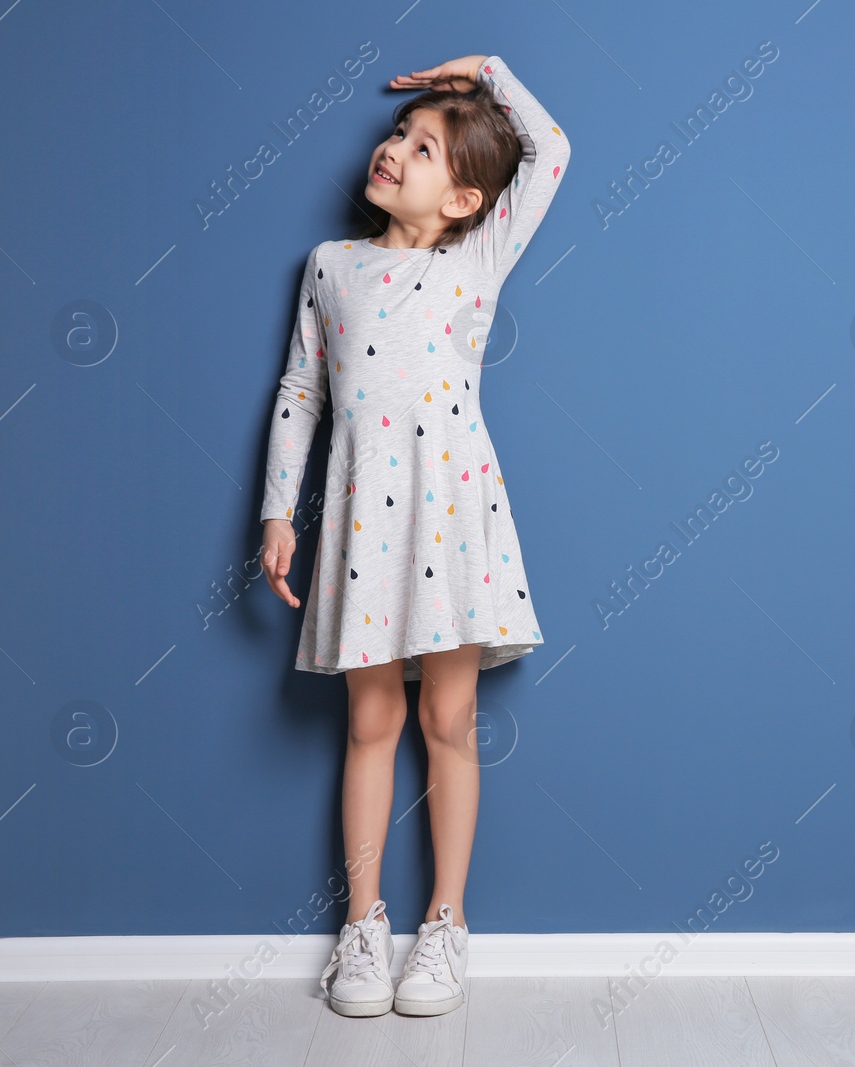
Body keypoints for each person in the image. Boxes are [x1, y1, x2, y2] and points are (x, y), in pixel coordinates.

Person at [257, 53, 570, 1019]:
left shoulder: (473, 263)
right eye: (399, 136)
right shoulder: (331, 266)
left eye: (422, 147)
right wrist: (277, 509)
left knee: (447, 725)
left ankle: (445, 923)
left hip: (453, 521)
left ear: (466, 199)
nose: (394, 148)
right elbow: (302, 389)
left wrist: (486, 72)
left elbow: (551, 151)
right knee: (371, 724)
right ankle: (363, 924)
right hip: (358, 524)